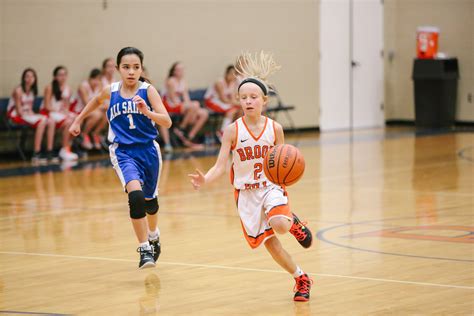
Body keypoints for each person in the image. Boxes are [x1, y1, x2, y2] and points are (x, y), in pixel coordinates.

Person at [188, 52, 314, 301]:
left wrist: (284, 182)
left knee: (279, 225)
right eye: (243, 97)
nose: (248, 101)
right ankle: (301, 278)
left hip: (270, 187)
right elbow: (221, 166)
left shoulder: (275, 128)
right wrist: (206, 180)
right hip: (246, 193)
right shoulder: (232, 131)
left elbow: (282, 161)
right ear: (238, 101)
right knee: (270, 244)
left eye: (253, 97)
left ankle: (292, 222)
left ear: (264, 100)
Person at [69, 47, 172, 269]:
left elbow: (167, 121)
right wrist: (78, 120)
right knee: (135, 196)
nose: (131, 71)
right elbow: (96, 102)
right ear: (118, 69)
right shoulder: (111, 90)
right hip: (123, 152)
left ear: (141, 69)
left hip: (149, 151)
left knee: (150, 203)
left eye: (136, 67)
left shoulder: (148, 91)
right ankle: (144, 249)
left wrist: (147, 112)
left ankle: (154, 235)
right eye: (126, 67)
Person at [7, 68, 55, 163]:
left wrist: (33, 114)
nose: (30, 78)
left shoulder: (32, 91)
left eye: (32, 76)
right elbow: (19, 111)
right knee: (42, 121)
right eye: (27, 76)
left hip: (26, 114)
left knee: (51, 120)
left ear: (35, 78)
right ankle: (36, 154)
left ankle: (49, 151)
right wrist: (33, 115)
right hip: (15, 115)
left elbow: (29, 108)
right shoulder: (18, 90)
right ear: (23, 78)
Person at [161, 62, 208, 150]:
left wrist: (192, 109)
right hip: (169, 105)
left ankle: (190, 135)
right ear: (174, 71)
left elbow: (186, 99)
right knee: (195, 104)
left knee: (203, 113)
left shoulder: (183, 82)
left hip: (178, 105)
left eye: (182, 69)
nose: (181, 72)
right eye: (179, 70)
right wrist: (190, 107)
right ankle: (181, 128)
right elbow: (173, 99)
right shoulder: (171, 81)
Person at [41, 66, 78, 161]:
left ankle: (66, 147)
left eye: (64, 74)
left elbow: (67, 107)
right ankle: (64, 149)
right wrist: (60, 112)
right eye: (60, 75)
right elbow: (46, 106)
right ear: (55, 77)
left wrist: (67, 112)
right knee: (69, 121)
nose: (63, 77)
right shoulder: (49, 87)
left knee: (77, 119)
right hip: (49, 113)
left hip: (59, 114)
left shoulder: (68, 89)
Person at [204, 65, 240, 141]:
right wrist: (238, 103)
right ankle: (222, 132)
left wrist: (239, 104)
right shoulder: (219, 82)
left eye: (234, 74)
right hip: (211, 102)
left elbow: (233, 98)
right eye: (231, 73)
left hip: (222, 102)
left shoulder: (233, 83)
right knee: (231, 110)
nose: (233, 76)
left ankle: (233, 131)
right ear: (226, 74)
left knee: (237, 109)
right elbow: (223, 99)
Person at [75, 68, 106, 150]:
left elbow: (101, 101)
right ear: (90, 78)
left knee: (107, 113)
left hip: (93, 110)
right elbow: (87, 104)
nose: (96, 81)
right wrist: (102, 106)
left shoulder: (99, 86)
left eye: (99, 79)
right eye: (95, 79)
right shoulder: (83, 86)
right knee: (97, 115)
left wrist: (105, 106)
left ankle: (95, 133)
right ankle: (84, 134)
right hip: (80, 110)